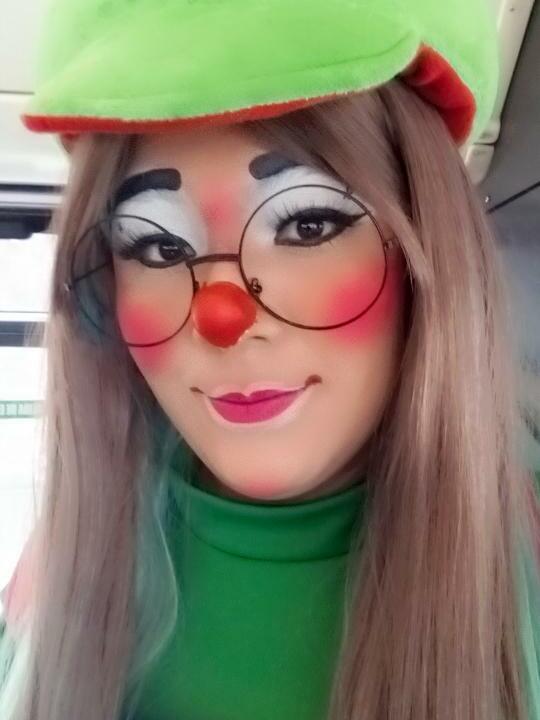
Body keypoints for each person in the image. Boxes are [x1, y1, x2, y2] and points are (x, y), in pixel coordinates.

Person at [1, 0, 539, 718]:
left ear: (429, 250)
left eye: (309, 224)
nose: (224, 320)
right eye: (158, 246)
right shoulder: (60, 571)